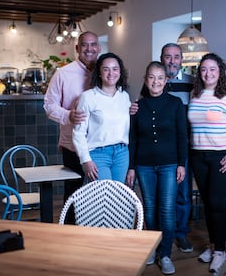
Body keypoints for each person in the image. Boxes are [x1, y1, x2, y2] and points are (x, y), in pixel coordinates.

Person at [126, 61, 188, 275]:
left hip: (170, 164)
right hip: (144, 166)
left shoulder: (175, 104)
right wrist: (132, 167)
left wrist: (182, 164)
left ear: (166, 80)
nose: (156, 81)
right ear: (146, 80)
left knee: (167, 210)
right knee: (150, 209)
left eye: (160, 77)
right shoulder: (137, 106)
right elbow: (132, 139)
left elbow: (182, 136)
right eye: (151, 77)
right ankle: (152, 248)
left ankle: (166, 254)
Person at [187, 53, 226, 273]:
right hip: (198, 156)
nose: (208, 73)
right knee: (208, 204)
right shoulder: (195, 93)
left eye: (212, 69)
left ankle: (221, 251)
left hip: (223, 157)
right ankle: (213, 247)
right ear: (199, 72)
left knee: (217, 204)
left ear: (220, 71)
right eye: (203, 69)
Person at [43, 31, 101, 224]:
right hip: (72, 145)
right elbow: (49, 105)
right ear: (77, 48)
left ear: (99, 48)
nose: (89, 49)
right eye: (85, 45)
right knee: (73, 193)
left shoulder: (107, 71)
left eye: (93, 45)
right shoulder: (63, 74)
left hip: (100, 146)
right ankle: (69, 232)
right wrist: (68, 115)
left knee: (98, 194)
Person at [73, 52, 130, 183]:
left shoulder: (124, 97)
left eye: (115, 69)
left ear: (120, 72)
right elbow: (78, 132)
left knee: (117, 197)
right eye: (106, 69)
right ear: (99, 72)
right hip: (98, 155)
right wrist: (85, 160)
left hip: (122, 154)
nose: (111, 73)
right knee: (104, 196)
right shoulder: (87, 97)